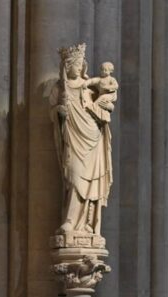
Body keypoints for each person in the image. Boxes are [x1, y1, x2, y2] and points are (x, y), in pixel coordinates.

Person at [50, 42, 114, 238]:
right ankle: (70, 220)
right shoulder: (60, 89)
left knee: (90, 182)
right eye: (73, 65)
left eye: (80, 65)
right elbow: (54, 112)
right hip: (73, 137)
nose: (77, 68)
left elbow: (105, 109)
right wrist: (59, 111)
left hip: (92, 138)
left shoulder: (89, 89)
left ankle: (86, 223)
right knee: (74, 176)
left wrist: (99, 107)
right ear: (66, 67)